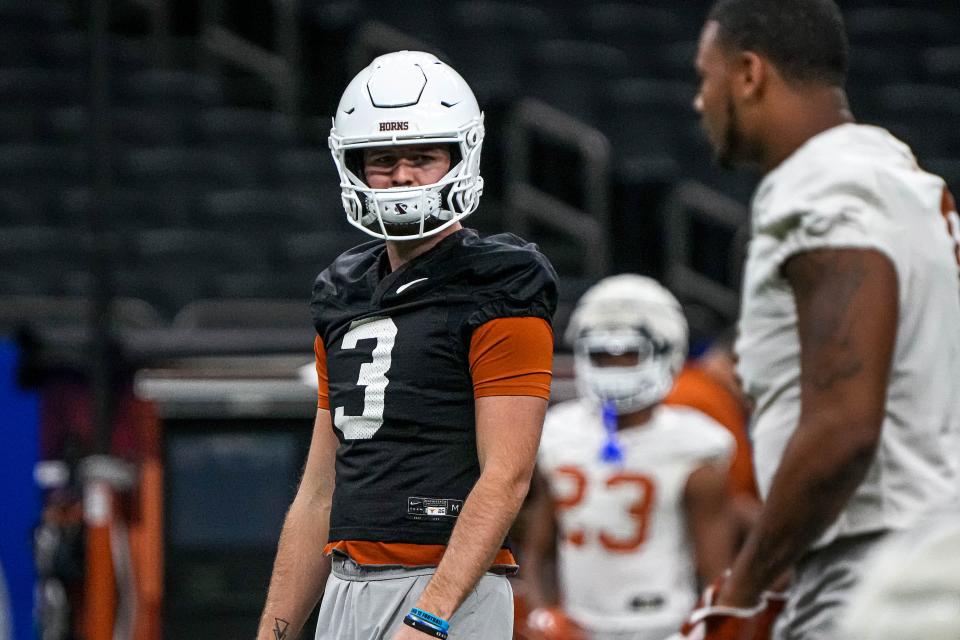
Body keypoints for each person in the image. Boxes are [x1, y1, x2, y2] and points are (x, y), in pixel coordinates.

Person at [680, 0, 960, 638]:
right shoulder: (896, 171)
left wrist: (741, 588)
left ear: (749, 74)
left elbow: (843, 427)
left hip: (879, 570)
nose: (700, 100)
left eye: (706, 76)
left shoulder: (823, 183)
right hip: (919, 546)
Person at [256, 50, 558, 640]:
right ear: (355, 166)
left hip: (446, 587)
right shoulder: (342, 292)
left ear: (458, 157)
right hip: (346, 584)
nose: (402, 178)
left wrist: (430, 615)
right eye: (385, 160)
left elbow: (507, 476)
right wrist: (276, 632)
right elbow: (320, 491)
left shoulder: (500, 282)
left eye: (422, 158)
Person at [521, 275, 736, 640]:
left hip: (665, 626)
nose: (615, 366)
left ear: (666, 351)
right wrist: (544, 615)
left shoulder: (694, 443)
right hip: (578, 626)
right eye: (602, 355)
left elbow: (715, 574)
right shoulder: (559, 432)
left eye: (628, 355)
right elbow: (538, 550)